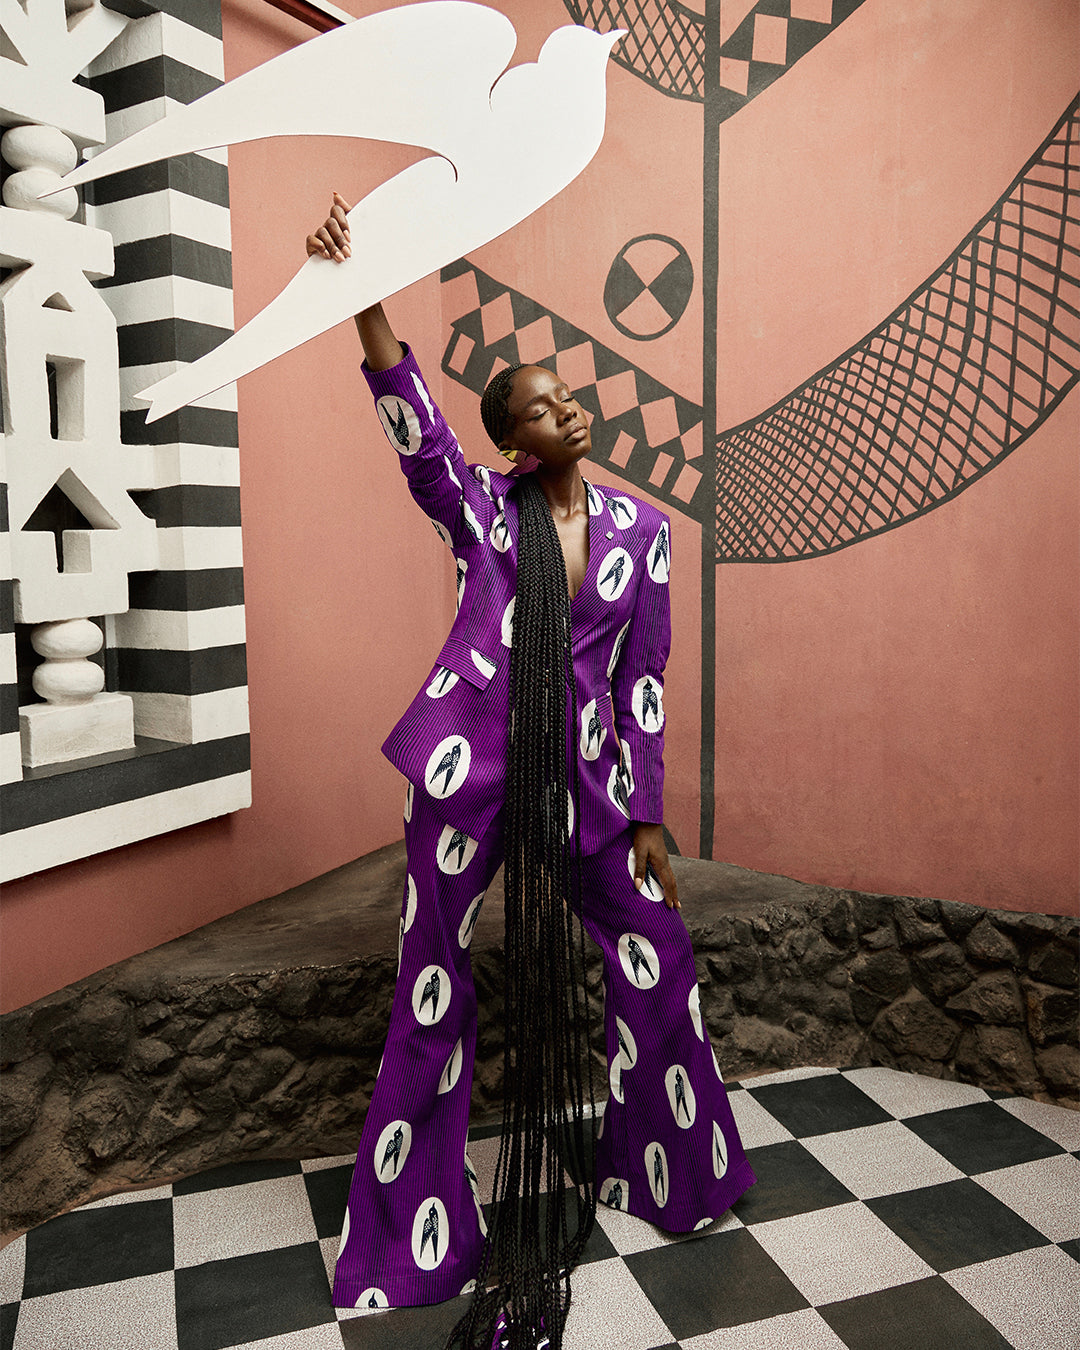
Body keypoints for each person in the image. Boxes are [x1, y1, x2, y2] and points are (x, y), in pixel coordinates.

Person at [307, 194, 756, 1349]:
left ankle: (668, 1170)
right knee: (434, 988)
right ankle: (414, 1236)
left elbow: (643, 679)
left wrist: (650, 813)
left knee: (656, 960)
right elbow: (416, 433)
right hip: (469, 769)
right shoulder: (483, 514)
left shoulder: (642, 531)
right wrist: (365, 297)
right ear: (515, 444)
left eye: (570, 395)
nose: (570, 406)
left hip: (591, 781)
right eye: (544, 406)